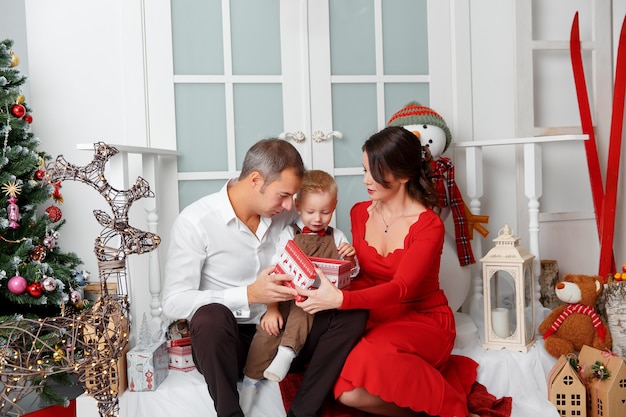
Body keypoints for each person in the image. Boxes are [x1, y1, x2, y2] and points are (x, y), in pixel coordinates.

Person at [161, 138, 368, 417]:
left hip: (288, 337)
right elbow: (173, 302)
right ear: (256, 180)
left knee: (352, 312)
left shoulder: (290, 215)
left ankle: (303, 410)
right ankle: (230, 413)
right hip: (229, 345)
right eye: (283, 195)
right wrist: (249, 294)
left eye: (293, 197)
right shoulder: (196, 222)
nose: (288, 205)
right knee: (209, 317)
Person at [296, 126, 479, 417]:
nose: (366, 180)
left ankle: (449, 407)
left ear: (404, 175)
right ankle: (423, 411)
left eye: (375, 172)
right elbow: (361, 274)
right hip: (372, 314)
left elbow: (402, 288)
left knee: (362, 368)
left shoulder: (428, 225)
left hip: (422, 317)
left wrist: (341, 301)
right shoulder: (359, 212)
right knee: (345, 392)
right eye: (365, 169)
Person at [240, 169, 359, 413]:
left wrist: (351, 260)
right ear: (298, 206)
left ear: (334, 207)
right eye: (310, 212)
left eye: (325, 212)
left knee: (307, 303)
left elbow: (351, 276)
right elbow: (273, 273)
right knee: (266, 335)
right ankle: (250, 382)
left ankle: (286, 353)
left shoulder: (337, 237)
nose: (317, 219)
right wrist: (271, 310)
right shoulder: (288, 234)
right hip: (284, 298)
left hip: (314, 302)